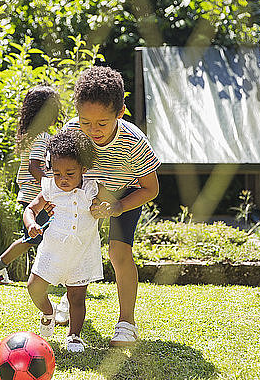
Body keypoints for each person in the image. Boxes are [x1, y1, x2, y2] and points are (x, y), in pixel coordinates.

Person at [61, 66, 160, 347]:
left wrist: (117, 206)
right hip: (85, 192)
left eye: (102, 123)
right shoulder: (71, 132)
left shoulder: (134, 142)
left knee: (118, 253)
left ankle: (126, 323)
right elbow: (59, 170)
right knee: (71, 247)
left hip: (126, 194)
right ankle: (71, 299)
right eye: (85, 122)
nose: (93, 131)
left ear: (120, 113)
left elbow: (150, 189)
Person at [25, 129, 113, 353]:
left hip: (81, 252)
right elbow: (30, 209)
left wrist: (102, 209)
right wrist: (31, 224)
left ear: (83, 169)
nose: (63, 179)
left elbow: (111, 205)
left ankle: (74, 335)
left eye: (70, 173)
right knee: (34, 287)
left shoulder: (93, 189)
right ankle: (49, 312)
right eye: (57, 173)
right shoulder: (50, 188)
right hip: (53, 249)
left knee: (76, 297)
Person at [0, 85, 61, 284]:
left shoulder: (31, 135)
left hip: (29, 194)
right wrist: (51, 188)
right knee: (37, 237)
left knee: (38, 237)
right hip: (37, 196)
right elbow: (34, 166)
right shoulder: (42, 136)